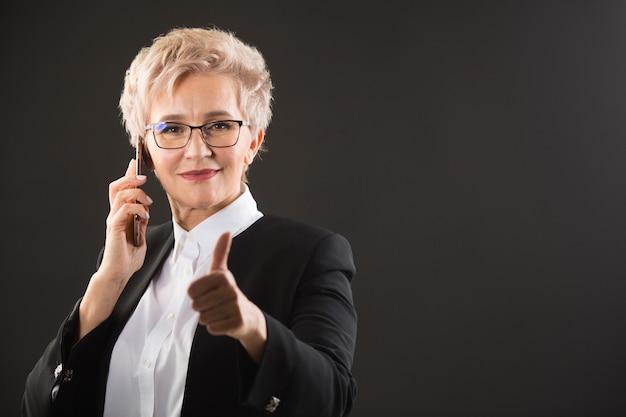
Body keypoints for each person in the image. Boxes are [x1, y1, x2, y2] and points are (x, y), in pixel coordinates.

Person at [22, 26, 357, 417]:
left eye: (219, 125)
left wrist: (253, 327)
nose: (197, 150)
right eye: (172, 128)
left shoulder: (311, 254)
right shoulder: (125, 260)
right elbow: (38, 407)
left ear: (252, 141)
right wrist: (108, 281)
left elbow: (332, 400)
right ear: (144, 149)